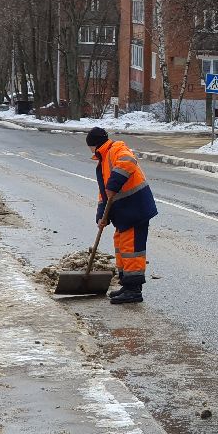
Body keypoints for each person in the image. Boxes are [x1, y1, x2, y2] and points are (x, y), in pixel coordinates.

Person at [86, 127, 158, 304]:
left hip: (135, 208)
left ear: (94, 144)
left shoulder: (116, 148)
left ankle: (134, 290)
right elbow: (104, 194)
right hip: (125, 212)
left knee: (131, 249)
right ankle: (127, 284)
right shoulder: (102, 160)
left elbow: (128, 161)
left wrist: (114, 183)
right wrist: (101, 216)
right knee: (121, 244)